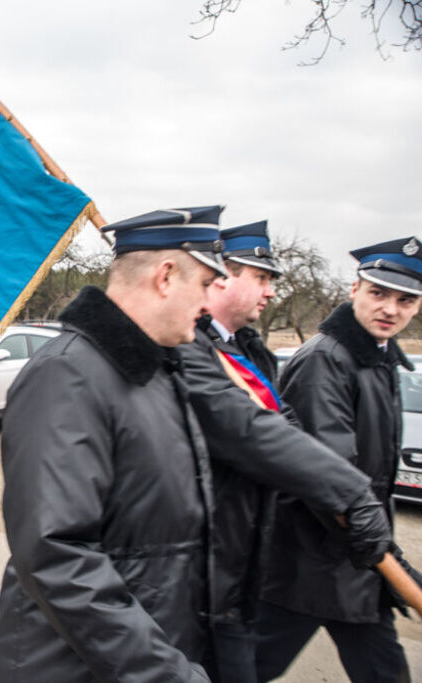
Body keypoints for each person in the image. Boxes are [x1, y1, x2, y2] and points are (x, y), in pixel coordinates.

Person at [0, 206, 234, 681]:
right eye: (206, 284)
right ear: (165, 276)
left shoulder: (160, 372)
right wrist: (167, 673)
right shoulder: (67, 375)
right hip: (73, 668)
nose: (210, 303)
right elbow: (56, 554)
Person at [175, 221, 392, 682]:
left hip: (243, 565)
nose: (271, 292)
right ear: (222, 276)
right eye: (262, 278)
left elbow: (288, 429)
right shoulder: (191, 349)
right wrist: (352, 495)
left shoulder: (248, 350)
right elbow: (258, 435)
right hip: (211, 567)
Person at [255, 238, 422, 682]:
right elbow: (331, 478)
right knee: (244, 670)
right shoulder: (327, 360)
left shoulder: (379, 357)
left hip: (356, 565)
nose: (390, 308)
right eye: (378, 293)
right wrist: (395, 567)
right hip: (308, 567)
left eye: (405, 300)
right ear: (354, 291)